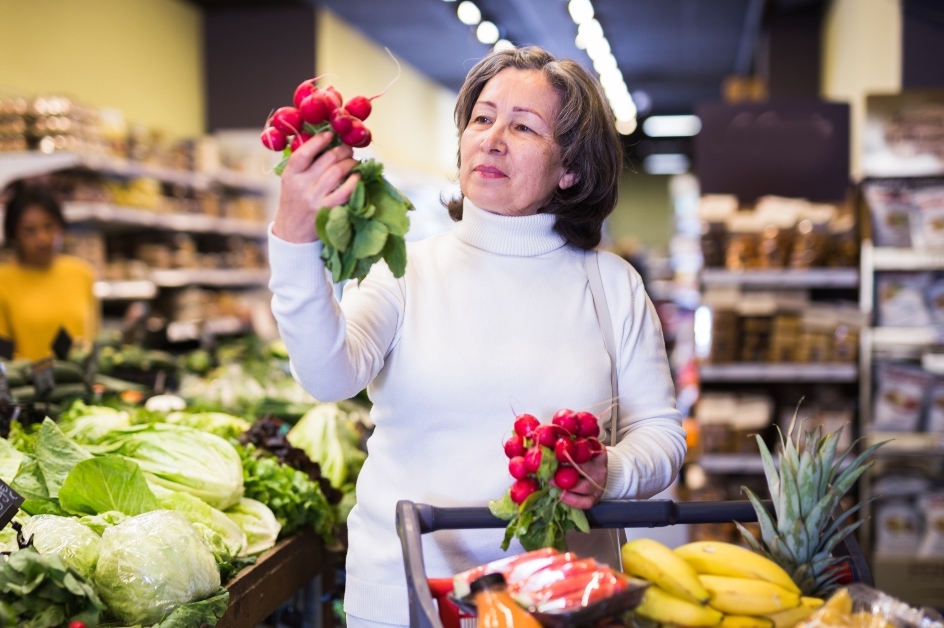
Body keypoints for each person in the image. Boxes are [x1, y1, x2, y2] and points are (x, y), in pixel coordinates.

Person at [269, 47, 685, 627]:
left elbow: (661, 436)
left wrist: (609, 471)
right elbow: (326, 374)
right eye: (482, 119)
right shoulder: (404, 269)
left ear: (570, 168)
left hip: (563, 600)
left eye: (523, 126)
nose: (491, 138)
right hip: (409, 595)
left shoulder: (610, 283)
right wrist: (293, 240)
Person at [0, 184, 96, 360]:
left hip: (80, 384)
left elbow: (91, 339)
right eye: (29, 230)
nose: (42, 238)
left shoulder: (82, 273)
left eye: (49, 226)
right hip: (25, 385)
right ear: (14, 234)